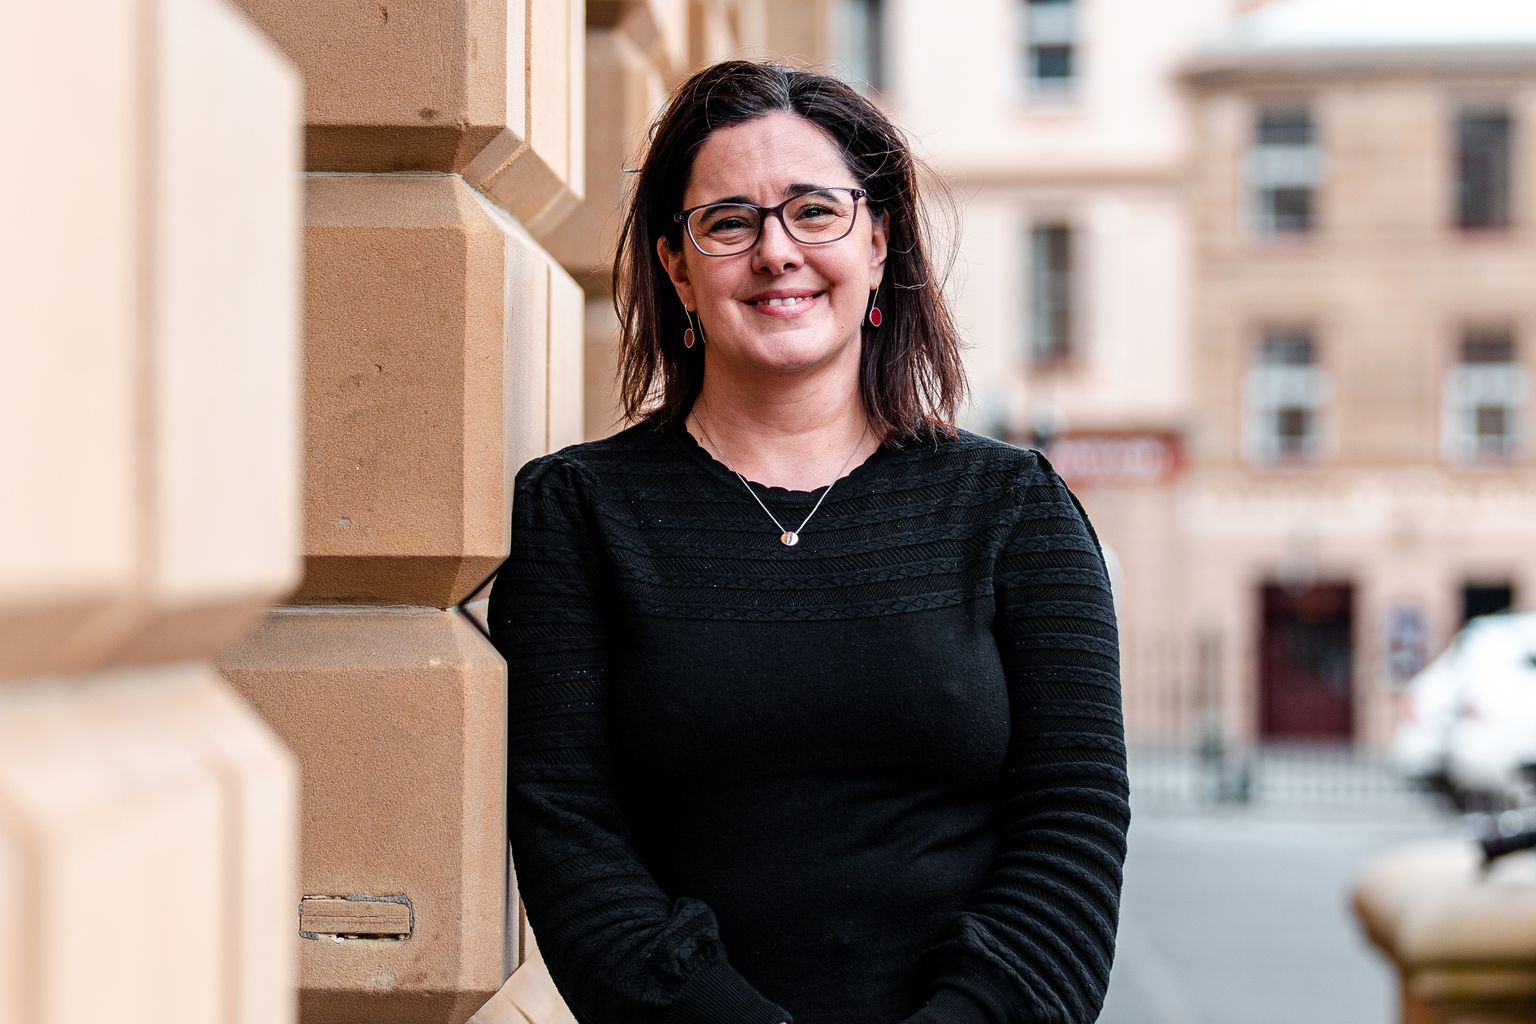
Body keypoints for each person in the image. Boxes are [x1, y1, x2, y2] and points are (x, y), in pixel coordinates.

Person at [487, 60, 1128, 1024]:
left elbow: (1074, 827)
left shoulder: (1015, 510)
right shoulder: (578, 513)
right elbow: (567, 832)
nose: (776, 251)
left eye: (814, 211)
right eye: (728, 223)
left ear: (877, 240)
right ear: (677, 267)